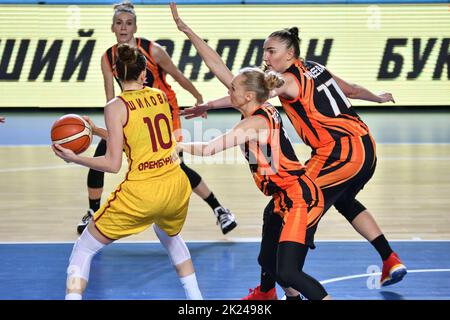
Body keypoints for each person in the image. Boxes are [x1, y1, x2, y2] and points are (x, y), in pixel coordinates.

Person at [183, 24, 407, 298]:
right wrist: (378, 97)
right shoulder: (315, 68)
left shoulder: (287, 81)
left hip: (339, 152)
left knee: (289, 208)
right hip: (364, 146)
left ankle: (282, 283)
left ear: (290, 54)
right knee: (342, 200)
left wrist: (207, 106)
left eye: (271, 51)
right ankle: (389, 258)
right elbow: (352, 90)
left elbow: (242, 90)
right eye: (264, 51)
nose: (265, 57)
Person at [171, 3, 330, 300]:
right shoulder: (257, 103)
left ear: (245, 96)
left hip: (298, 197)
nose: (227, 92)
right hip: (281, 197)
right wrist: (188, 31)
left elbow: (208, 148)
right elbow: (216, 64)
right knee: (267, 262)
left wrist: (175, 145)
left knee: (288, 272)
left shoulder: (254, 123)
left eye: (232, 90)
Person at [52, 44, 202, 300]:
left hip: (143, 192)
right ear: (144, 73)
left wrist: (76, 158)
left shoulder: (115, 106)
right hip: (175, 185)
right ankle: (196, 300)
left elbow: (112, 164)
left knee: (84, 248)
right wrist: (96, 130)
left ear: (115, 74)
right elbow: (135, 135)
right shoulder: (159, 96)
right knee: (169, 235)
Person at [78, 1, 237, 235]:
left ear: (135, 27)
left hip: (163, 111)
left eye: (128, 23)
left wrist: (198, 97)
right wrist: (111, 127)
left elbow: (178, 76)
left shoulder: (152, 50)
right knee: (102, 153)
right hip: (132, 111)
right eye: (119, 23)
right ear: (112, 27)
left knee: (176, 165)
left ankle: (219, 209)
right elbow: (111, 97)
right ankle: (93, 211)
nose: (123, 28)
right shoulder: (108, 57)